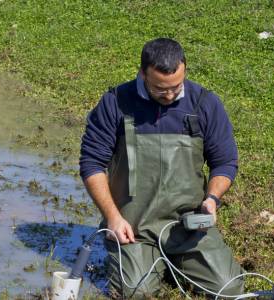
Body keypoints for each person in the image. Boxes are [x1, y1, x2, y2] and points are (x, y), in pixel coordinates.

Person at [80, 38, 243, 298]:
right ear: (142, 73)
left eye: (176, 87)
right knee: (135, 293)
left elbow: (225, 162)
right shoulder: (115, 103)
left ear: (184, 70)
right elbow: (91, 164)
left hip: (188, 227)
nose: (169, 95)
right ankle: (148, 261)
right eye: (159, 89)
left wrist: (212, 198)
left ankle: (175, 263)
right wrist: (113, 217)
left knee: (230, 288)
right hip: (134, 229)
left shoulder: (205, 104)